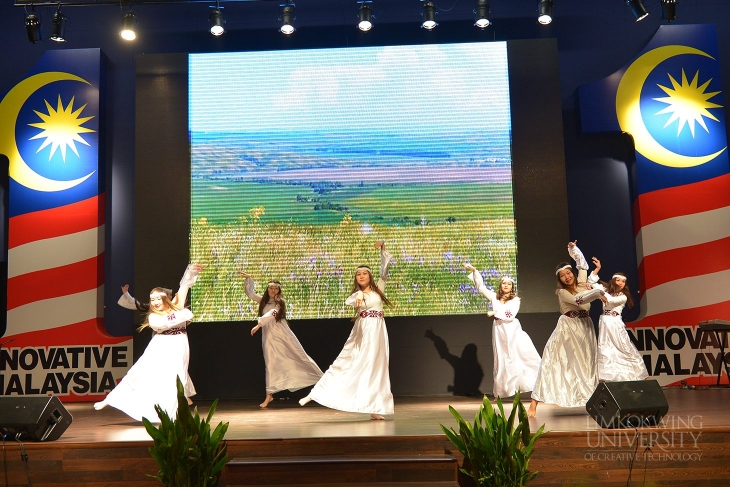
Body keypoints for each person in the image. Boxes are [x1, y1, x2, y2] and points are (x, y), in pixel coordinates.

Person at [94, 264, 202, 422]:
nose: (155, 302)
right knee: (139, 373)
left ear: (165, 298)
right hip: (160, 348)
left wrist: (191, 270)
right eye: (152, 300)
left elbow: (184, 286)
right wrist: (183, 314)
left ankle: (174, 412)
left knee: (177, 377)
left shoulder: (177, 307)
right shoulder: (154, 317)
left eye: (158, 298)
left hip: (179, 346)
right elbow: (164, 323)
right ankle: (112, 399)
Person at [299, 241, 394, 420]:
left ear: (370, 276)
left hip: (378, 331)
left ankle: (374, 407)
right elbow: (352, 300)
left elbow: (385, 270)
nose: (361, 276)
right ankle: (315, 393)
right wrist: (359, 293)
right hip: (363, 332)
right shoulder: (356, 295)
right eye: (358, 274)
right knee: (345, 361)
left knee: (377, 369)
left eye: (365, 273)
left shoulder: (379, 289)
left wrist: (382, 249)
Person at [528, 241, 604, 417]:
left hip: (585, 328)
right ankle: (533, 404)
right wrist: (597, 292)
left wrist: (572, 249)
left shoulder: (582, 284)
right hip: (568, 328)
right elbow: (579, 301)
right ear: (559, 279)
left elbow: (582, 265)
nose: (567, 277)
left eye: (568, 273)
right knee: (552, 361)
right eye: (563, 276)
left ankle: (593, 401)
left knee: (588, 365)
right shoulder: (562, 292)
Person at [239, 272, 324, 408]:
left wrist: (259, 324)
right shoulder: (264, 301)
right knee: (270, 363)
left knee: (298, 356)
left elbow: (272, 314)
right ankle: (269, 394)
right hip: (269, 336)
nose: (273, 290)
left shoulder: (279, 302)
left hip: (282, 334)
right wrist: (249, 278)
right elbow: (250, 294)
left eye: (275, 288)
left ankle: (321, 378)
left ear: (279, 290)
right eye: (270, 288)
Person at [464, 264, 541, 399]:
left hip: (512, 330)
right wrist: (475, 271)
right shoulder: (494, 297)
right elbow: (481, 288)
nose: (506, 285)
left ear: (512, 287)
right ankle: (499, 393)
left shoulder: (515, 300)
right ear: (500, 286)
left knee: (518, 356)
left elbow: (510, 314)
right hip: (499, 330)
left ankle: (538, 385)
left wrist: (494, 311)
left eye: (508, 284)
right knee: (501, 359)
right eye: (504, 283)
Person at [588, 261, 650, 382]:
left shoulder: (623, 297)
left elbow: (610, 301)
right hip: (605, 322)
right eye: (618, 280)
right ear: (613, 281)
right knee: (605, 348)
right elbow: (591, 282)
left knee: (625, 347)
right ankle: (605, 379)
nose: (621, 283)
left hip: (615, 323)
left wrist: (599, 292)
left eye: (623, 281)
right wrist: (598, 269)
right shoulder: (605, 290)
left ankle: (643, 376)